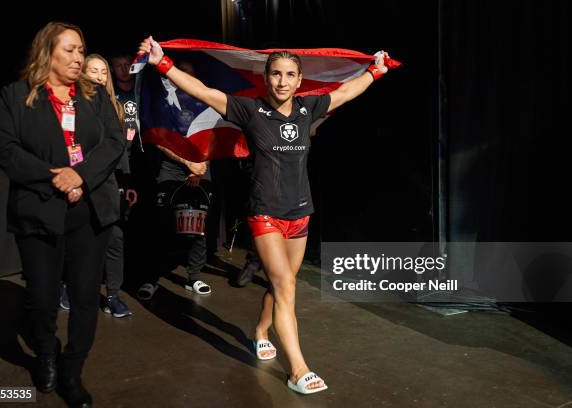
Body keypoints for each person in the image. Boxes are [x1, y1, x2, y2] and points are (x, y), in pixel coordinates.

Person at [138, 36, 392, 394]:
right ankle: (298, 369)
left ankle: (260, 329)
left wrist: (376, 72)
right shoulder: (249, 110)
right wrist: (163, 63)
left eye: (290, 74)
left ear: (299, 80)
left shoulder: (309, 108)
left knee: (282, 284)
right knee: (286, 285)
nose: (283, 81)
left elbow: (347, 92)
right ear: (267, 77)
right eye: (276, 74)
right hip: (265, 214)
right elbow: (202, 91)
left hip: (301, 212)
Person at [0, 22, 125, 407]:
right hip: (40, 210)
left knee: (85, 296)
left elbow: (114, 142)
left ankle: (72, 369)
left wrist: (80, 175)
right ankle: (47, 355)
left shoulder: (95, 95)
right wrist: (54, 177)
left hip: (89, 209)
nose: (78, 57)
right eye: (69, 50)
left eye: (81, 50)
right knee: (43, 297)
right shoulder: (16, 96)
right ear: (46, 52)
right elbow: (6, 147)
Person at [137, 60, 213, 299]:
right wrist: (186, 163)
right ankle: (151, 278)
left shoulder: (206, 101)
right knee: (161, 225)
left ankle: (194, 277)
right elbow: (159, 140)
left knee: (198, 225)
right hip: (171, 169)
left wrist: (200, 167)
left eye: (189, 74)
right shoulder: (163, 103)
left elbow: (215, 138)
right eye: (180, 74)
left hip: (201, 167)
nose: (183, 79)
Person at [82, 53, 134, 317]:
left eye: (104, 72)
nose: (100, 77)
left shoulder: (120, 107)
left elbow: (123, 148)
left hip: (111, 182)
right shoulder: (75, 105)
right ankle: (70, 288)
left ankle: (113, 295)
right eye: (94, 71)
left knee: (114, 239)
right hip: (82, 181)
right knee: (80, 240)